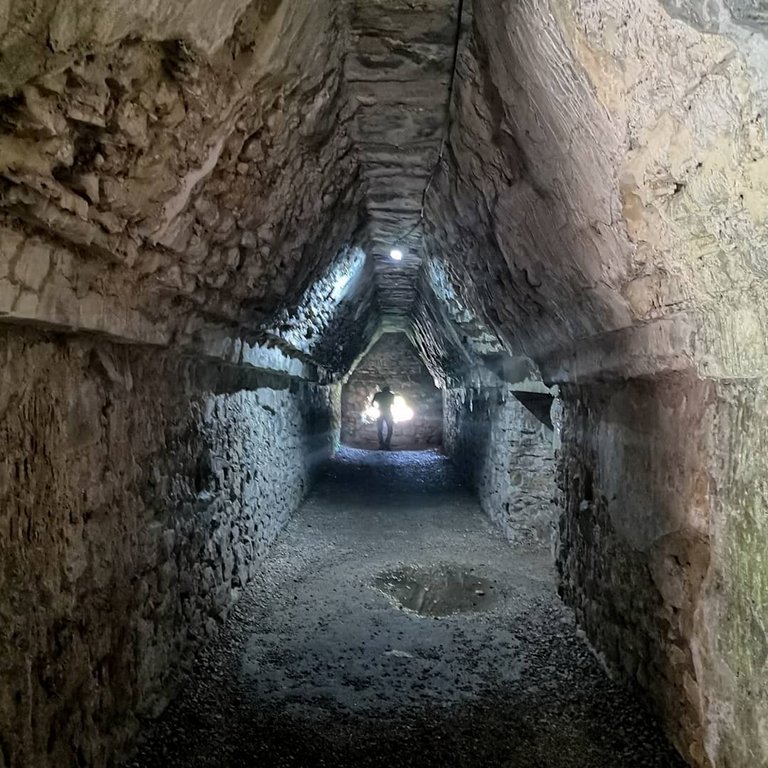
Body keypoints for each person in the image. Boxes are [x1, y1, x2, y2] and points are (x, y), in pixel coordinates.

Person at [372, 385, 395, 450]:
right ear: (388, 390)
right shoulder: (391, 395)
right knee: (390, 429)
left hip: (380, 412)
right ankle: (387, 445)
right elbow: (393, 404)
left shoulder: (378, 394)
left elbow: (372, 403)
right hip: (388, 412)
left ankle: (381, 445)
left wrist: (376, 407)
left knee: (379, 429)